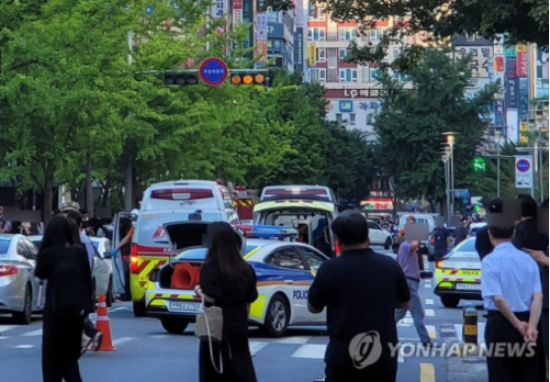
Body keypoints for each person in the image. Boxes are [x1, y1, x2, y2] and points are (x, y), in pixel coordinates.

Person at [307, 211, 410, 382]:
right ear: (366, 235)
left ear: (338, 239)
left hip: (343, 358)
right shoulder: (389, 266)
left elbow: (314, 307)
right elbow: (404, 302)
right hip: (382, 356)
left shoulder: (329, 268)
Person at [481, 198, 543, 382]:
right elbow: (538, 297)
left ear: (491, 234)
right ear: (513, 233)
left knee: (501, 374)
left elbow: (498, 300)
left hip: (501, 325)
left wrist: (517, 325)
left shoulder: (490, 261)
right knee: (528, 374)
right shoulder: (528, 260)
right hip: (529, 321)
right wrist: (530, 326)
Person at [195, 222, 258, 382]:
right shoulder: (246, 269)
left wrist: (200, 293)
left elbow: (213, 295)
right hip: (238, 323)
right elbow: (251, 296)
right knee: (240, 366)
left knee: (215, 368)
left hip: (216, 326)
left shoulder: (210, 268)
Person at [35, 216, 93, 382]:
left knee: (51, 362)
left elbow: (40, 273)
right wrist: (86, 310)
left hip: (55, 312)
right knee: (70, 361)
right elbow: (88, 282)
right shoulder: (79, 253)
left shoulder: (48, 254)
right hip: (75, 314)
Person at [66, 211, 103, 355]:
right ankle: (91, 333)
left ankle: (86, 337)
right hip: (82, 280)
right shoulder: (84, 239)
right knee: (78, 312)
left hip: (74, 281)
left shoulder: (76, 240)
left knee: (71, 312)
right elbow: (89, 261)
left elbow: (86, 261)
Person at [395, 240, 432, 348]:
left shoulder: (407, 248)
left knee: (399, 313)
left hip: (409, 282)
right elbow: (413, 245)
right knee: (418, 313)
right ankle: (426, 341)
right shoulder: (405, 245)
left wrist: (421, 274)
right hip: (409, 284)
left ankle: (383, 333)